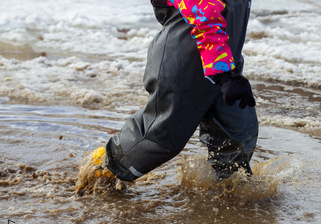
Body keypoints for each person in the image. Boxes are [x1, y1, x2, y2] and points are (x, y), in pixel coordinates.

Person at [77, 0, 258, 194]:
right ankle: (99, 169)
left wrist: (226, 70)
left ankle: (228, 194)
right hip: (187, 57)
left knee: (237, 134)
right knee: (159, 137)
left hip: (223, 58)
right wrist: (222, 72)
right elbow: (201, 10)